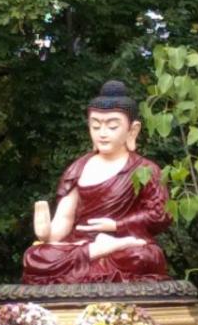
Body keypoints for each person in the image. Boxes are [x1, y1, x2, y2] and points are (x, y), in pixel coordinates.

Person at [22, 80, 171, 284]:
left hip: (126, 246)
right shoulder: (79, 167)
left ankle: (108, 247)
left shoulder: (145, 170)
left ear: (132, 130)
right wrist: (47, 234)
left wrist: (116, 225)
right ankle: (98, 250)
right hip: (82, 245)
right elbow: (65, 218)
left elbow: (160, 214)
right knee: (36, 256)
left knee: (145, 257)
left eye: (112, 126)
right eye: (95, 126)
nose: (102, 133)